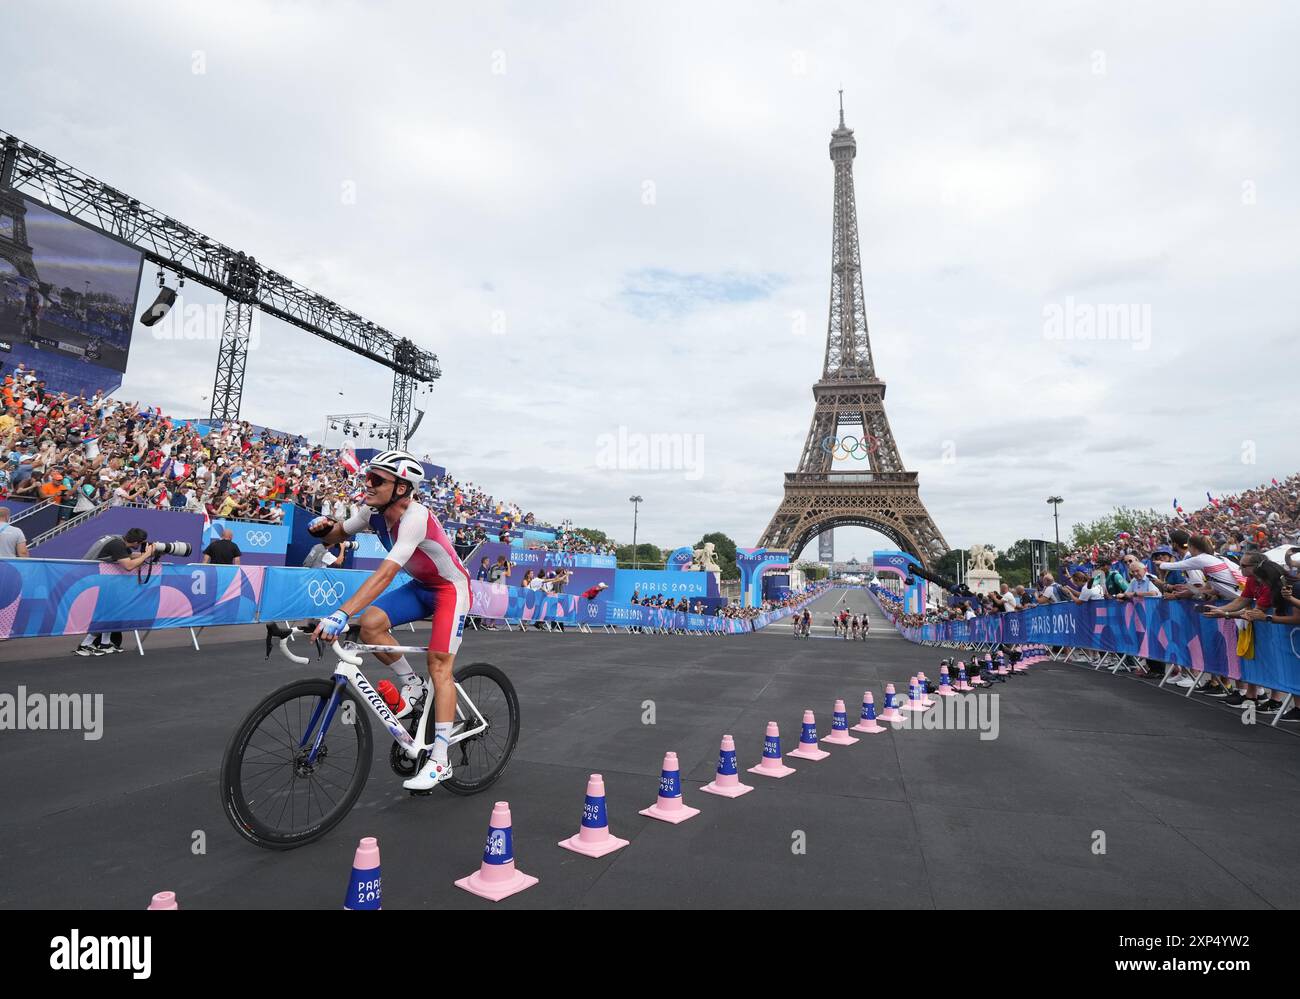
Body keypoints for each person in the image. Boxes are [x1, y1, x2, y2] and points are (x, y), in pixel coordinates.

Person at [307, 451, 471, 793]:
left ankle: (441, 758)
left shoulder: (416, 517)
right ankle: (412, 684)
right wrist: (322, 532)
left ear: (401, 488)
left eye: (377, 480)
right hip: (421, 586)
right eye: (368, 477)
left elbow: (384, 575)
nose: (367, 485)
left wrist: (340, 613)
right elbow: (336, 533)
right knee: (370, 625)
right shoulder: (371, 513)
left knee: (439, 666)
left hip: (450, 590)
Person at [75, 528, 156, 655]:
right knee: (105, 612)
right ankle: (85, 644)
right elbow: (129, 566)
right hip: (92, 578)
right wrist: (146, 554)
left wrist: (152, 554)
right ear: (136, 542)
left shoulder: (118, 540)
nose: (140, 545)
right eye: (140, 543)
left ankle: (105, 643)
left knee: (112, 609)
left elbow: (128, 556)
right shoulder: (117, 545)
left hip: (95, 577)